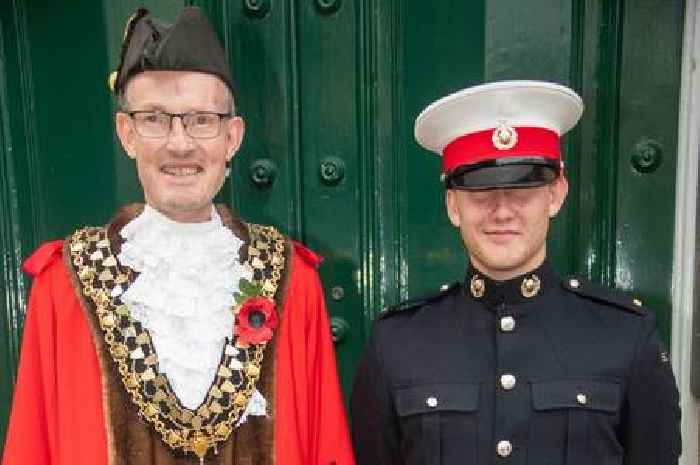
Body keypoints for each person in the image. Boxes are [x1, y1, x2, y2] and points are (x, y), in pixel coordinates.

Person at [2, 7, 354, 465]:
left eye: (202, 119)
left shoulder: (292, 278)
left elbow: (323, 444)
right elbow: (33, 447)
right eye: (154, 119)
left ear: (232, 137)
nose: (180, 143)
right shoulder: (63, 282)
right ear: (126, 134)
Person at [350, 80, 681, 465]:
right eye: (481, 193)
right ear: (453, 205)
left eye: (523, 190)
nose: (502, 211)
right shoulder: (396, 343)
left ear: (556, 194)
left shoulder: (627, 336)